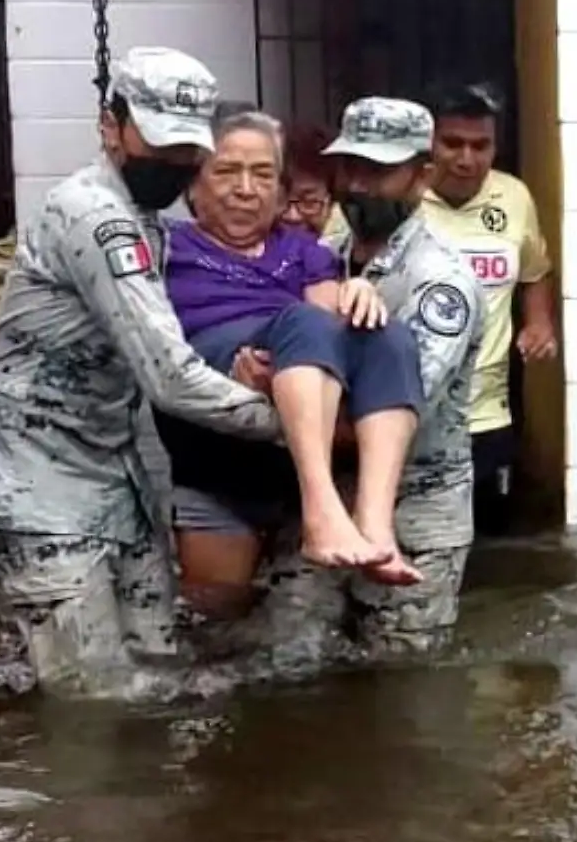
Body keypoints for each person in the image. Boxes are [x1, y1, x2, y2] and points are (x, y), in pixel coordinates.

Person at [0, 46, 282, 695]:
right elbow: (169, 375)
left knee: (159, 665)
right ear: (112, 126)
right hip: (36, 485)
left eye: (186, 149)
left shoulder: (146, 221)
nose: (173, 164)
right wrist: (297, 422)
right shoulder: (94, 215)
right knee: (93, 697)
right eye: (157, 145)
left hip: (113, 477)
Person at [248, 96, 485, 653]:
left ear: (422, 176)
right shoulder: (319, 256)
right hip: (320, 506)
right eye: (350, 166)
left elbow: (396, 413)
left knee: (400, 687)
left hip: (411, 520)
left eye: (379, 171)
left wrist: (275, 397)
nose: (357, 184)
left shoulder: (438, 282)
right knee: (290, 663)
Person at [161, 110, 426, 608]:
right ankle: (322, 509)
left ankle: (373, 522)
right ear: (193, 186)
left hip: (281, 437)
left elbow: (329, 330)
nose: (246, 188)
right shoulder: (166, 247)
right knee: (215, 620)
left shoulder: (306, 251)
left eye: (262, 174)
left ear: (281, 192)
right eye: (226, 171)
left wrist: (360, 295)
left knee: (386, 334)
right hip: (212, 426)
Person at [418, 83, 558, 535]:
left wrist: (539, 323)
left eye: (481, 146)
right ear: (430, 144)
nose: (466, 159)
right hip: (413, 412)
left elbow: (534, 270)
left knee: (489, 550)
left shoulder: (514, 197)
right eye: (452, 144)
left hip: (488, 414)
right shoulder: (403, 200)